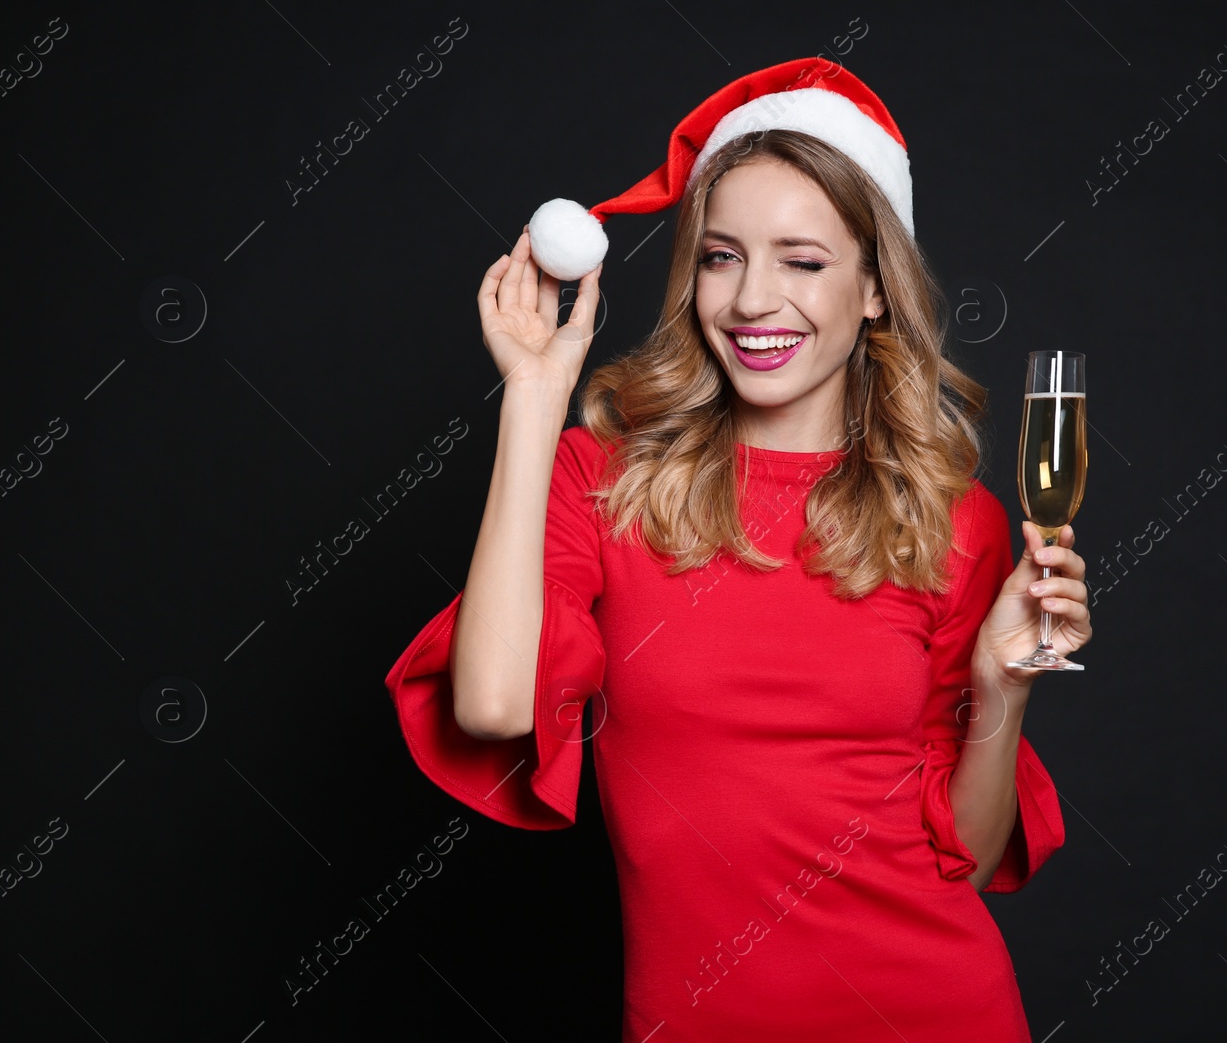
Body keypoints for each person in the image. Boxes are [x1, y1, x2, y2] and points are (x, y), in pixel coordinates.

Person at [382, 56, 1091, 1041]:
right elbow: (493, 700)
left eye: (802, 261)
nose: (754, 299)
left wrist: (1001, 681)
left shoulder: (952, 518)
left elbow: (964, 861)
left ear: (876, 289)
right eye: (720, 256)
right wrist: (535, 397)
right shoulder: (602, 476)